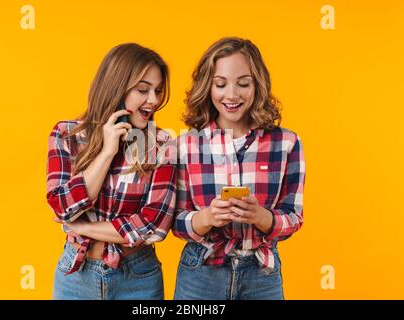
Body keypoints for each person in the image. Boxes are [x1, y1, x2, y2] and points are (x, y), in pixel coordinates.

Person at [172, 37, 305, 300]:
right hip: (200, 273)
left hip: (262, 274)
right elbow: (174, 220)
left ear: (258, 85)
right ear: (207, 88)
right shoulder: (186, 145)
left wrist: (261, 217)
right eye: (221, 84)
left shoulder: (286, 143)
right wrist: (207, 218)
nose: (232, 95)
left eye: (243, 84)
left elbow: (294, 216)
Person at [46, 43, 176, 300]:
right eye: (143, 90)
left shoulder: (162, 144)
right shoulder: (66, 134)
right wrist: (106, 153)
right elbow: (61, 205)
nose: (154, 100)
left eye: (158, 90)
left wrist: (81, 227)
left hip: (138, 277)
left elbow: (151, 225)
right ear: (116, 87)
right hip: (76, 274)